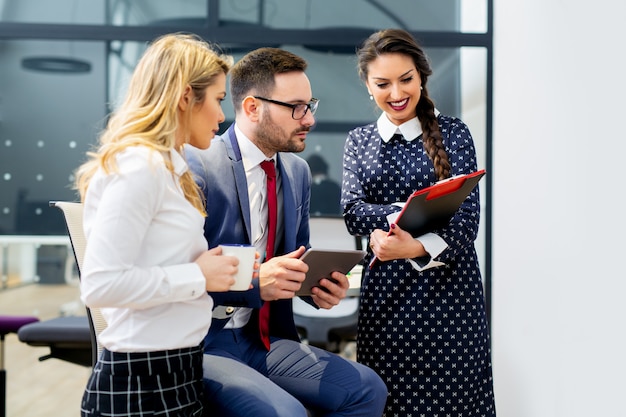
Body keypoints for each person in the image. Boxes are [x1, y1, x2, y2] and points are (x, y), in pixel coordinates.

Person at [186, 47, 388, 417]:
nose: (308, 118)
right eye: (296, 107)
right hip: (203, 341)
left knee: (366, 389)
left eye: (310, 104)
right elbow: (183, 269)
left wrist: (316, 288)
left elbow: (298, 256)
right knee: (287, 414)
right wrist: (255, 281)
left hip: (261, 338)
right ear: (252, 108)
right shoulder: (197, 164)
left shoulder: (296, 172)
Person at [74, 33, 241, 417]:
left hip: (174, 371)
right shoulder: (139, 167)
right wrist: (198, 277)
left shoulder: (167, 170)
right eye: (217, 100)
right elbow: (100, 284)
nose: (221, 116)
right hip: (141, 381)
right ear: (185, 97)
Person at [342, 29, 496, 416]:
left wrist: (411, 245)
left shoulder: (454, 133)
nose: (396, 93)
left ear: (422, 76)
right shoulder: (358, 141)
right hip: (386, 304)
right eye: (383, 83)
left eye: (406, 79)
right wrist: (409, 210)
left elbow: (466, 223)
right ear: (367, 85)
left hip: (450, 301)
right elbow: (353, 213)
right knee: (386, 403)